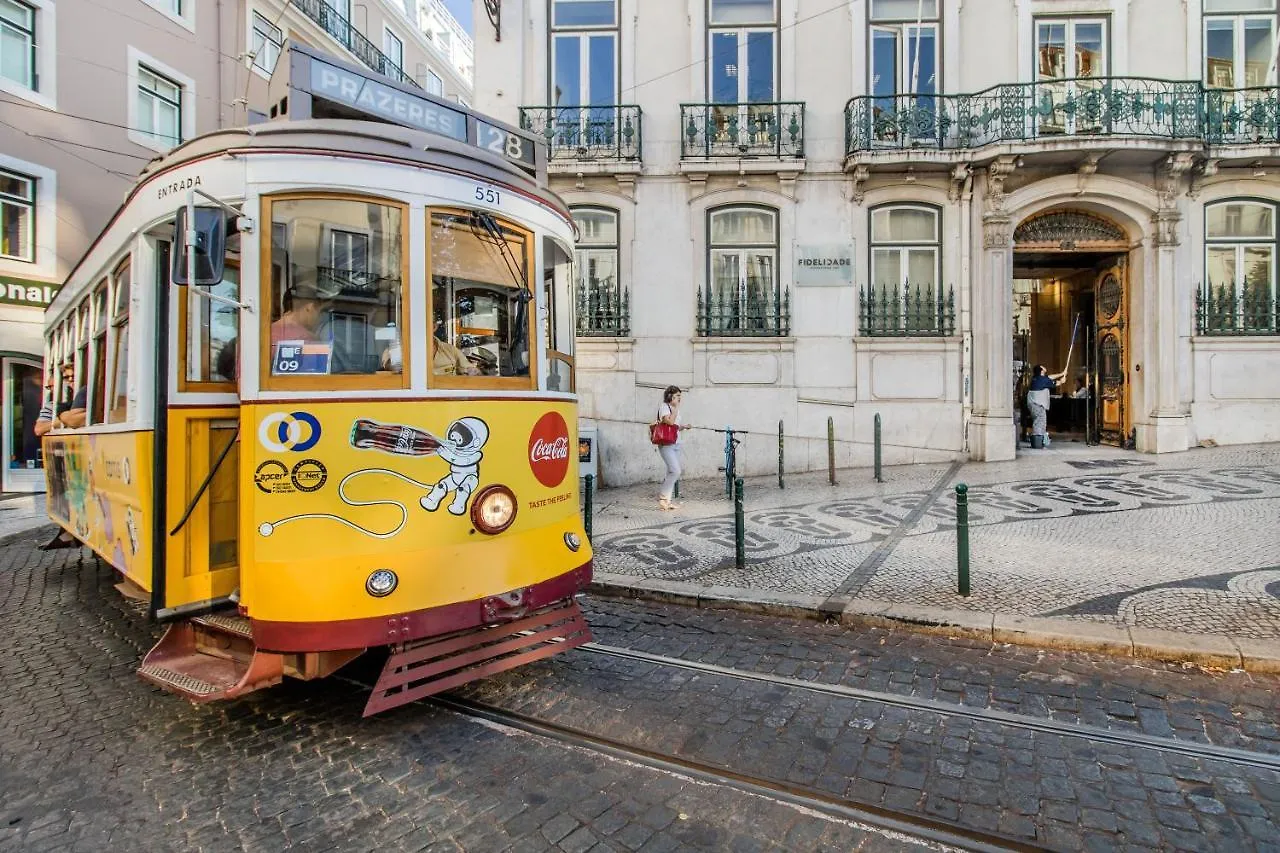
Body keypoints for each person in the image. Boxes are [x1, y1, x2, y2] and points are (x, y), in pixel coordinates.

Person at [656, 386, 688, 511]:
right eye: (677, 396)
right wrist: (674, 410)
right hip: (666, 444)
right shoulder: (665, 407)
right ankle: (663, 498)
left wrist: (683, 427)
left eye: (680, 396)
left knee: (671, 471)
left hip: (676, 443)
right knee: (676, 471)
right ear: (670, 396)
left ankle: (666, 502)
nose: (680, 398)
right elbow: (668, 422)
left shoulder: (675, 410)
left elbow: (674, 427)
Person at [34, 365, 74, 438]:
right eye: (49, 387)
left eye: (54, 386)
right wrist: (66, 420)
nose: (52, 390)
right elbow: (39, 430)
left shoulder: (81, 398)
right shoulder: (51, 405)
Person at [1026, 365, 1055, 448]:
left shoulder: (1037, 379)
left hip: (1033, 404)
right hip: (1038, 405)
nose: (1045, 367)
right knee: (1040, 422)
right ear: (1041, 370)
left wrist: (1062, 373)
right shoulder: (1043, 380)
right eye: (1043, 366)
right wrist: (1061, 381)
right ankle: (1037, 443)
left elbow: (1049, 377)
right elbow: (1054, 382)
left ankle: (1039, 441)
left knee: (1038, 422)